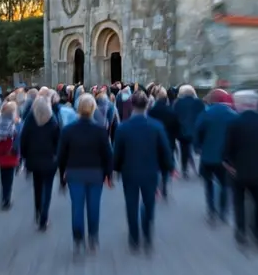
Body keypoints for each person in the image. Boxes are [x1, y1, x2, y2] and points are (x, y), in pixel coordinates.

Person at [112, 92, 174, 255]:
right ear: (147, 105)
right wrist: (167, 167)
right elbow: (165, 150)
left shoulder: (123, 127)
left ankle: (134, 237)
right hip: (150, 171)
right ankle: (147, 234)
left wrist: (116, 168)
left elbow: (117, 152)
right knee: (149, 204)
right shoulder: (156, 126)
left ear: (132, 105)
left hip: (129, 171)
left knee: (131, 204)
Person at [56, 94, 113, 256]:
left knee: (77, 207)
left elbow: (61, 156)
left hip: (75, 172)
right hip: (95, 173)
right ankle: (93, 237)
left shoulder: (68, 130)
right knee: (94, 206)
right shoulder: (100, 131)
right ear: (93, 108)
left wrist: (62, 177)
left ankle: (78, 239)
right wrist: (109, 174)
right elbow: (108, 154)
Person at [223, 90, 258, 253]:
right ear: (255, 104)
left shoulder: (234, 123)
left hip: (238, 171)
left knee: (239, 202)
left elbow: (227, 150)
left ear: (238, 104)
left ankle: (241, 233)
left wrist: (229, 165)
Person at [195, 89, 236, 225]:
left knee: (209, 184)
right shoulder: (233, 115)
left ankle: (211, 211)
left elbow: (198, 130)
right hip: (225, 159)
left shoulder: (206, 113)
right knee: (225, 185)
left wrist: (198, 147)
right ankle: (223, 213)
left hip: (207, 155)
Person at [19, 96, 61, 230]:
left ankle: (38, 210)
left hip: (34, 159)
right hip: (49, 159)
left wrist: (24, 156)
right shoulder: (52, 119)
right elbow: (58, 140)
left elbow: (23, 139)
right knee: (47, 189)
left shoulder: (30, 119)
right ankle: (44, 216)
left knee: (37, 187)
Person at [147, 87, 180, 197]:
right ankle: (164, 186)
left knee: (156, 164)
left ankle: (156, 186)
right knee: (166, 165)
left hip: (154, 142)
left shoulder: (151, 112)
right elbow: (177, 128)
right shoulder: (171, 112)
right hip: (169, 141)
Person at [0, 101, 22, 210]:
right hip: (11, 155)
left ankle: (4, 197)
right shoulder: (16, 125)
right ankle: (6, 200)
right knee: (9, 179)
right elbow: (18, 142)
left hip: (0, 154)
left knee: (4, 177)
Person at [173, 85, 204, 178]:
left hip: (183, 131)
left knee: (184, 151)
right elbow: (203, 116)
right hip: (196, 130)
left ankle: (184, 169)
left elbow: (175, 116)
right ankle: (201, 170)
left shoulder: (177, 103)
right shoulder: (199, 102)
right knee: (200, 151)